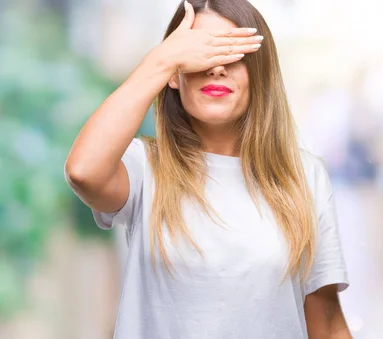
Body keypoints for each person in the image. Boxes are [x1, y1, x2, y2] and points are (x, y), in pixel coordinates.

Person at [63, 1, 350, 338]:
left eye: (233, 53)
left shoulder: (304, 174)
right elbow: (83, 171)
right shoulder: (145, 168)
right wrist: (162, 59)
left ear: (259, 72)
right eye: (201, 54)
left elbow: (327, 322)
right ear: (174, 74)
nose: (216, 68)